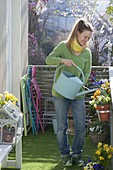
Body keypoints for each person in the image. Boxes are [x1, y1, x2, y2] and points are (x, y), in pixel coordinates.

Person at [45, 18, 93, 166]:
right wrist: (62, 61)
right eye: (85, 37)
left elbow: (86, 73)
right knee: (61, 127)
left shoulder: (87, 53)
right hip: (60, 93)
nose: (86, 40)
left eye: (89, 38)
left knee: (80, 126)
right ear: (77, 33)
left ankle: (77, 155)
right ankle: (65, 155)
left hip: (77, 93)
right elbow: (48, 59)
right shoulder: (63, 47)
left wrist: (79, 84)